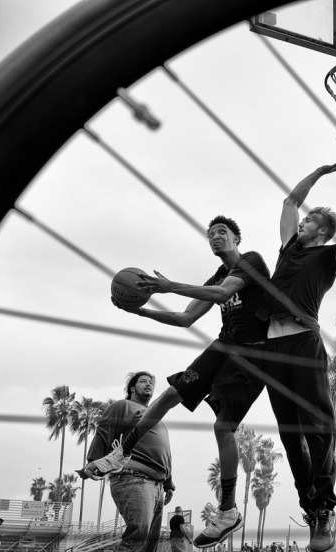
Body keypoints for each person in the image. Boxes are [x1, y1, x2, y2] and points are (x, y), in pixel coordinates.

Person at [91, 216, 270, 547]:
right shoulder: (215, 275)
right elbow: (186, 318)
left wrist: (169, 286)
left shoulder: (251, 262)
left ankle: (228, 510)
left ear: (236, 238)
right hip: (224, 344)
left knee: (222, 428)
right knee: (169, 395)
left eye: (222, 233)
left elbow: (222, 293)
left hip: (255, 352)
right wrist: (139, 312)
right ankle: (122, 453)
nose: (215, 238)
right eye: (211, 234)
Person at [256, 164, 336, 552]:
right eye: (305, 219)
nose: (303, 220)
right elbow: (291, 200)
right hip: (272, 348)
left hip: (304, 342)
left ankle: (325, 507)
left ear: (323, 231)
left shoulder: (330, 256)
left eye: (311, 219)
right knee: (291, 433)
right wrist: (320, 172)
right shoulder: (289, 247)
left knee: (318, 427)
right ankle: (313, 511)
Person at [82, 372, 174, 552]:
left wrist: (169, 483)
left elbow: (165, 452)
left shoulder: (157, 417)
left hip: (158, 486)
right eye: (143, 381)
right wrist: (94, 462)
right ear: (132, 388)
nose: (149, 384)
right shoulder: (123, 406)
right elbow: (104, 431)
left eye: (151, 383)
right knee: (136, 539)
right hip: (133, 478)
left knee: (149, 546)